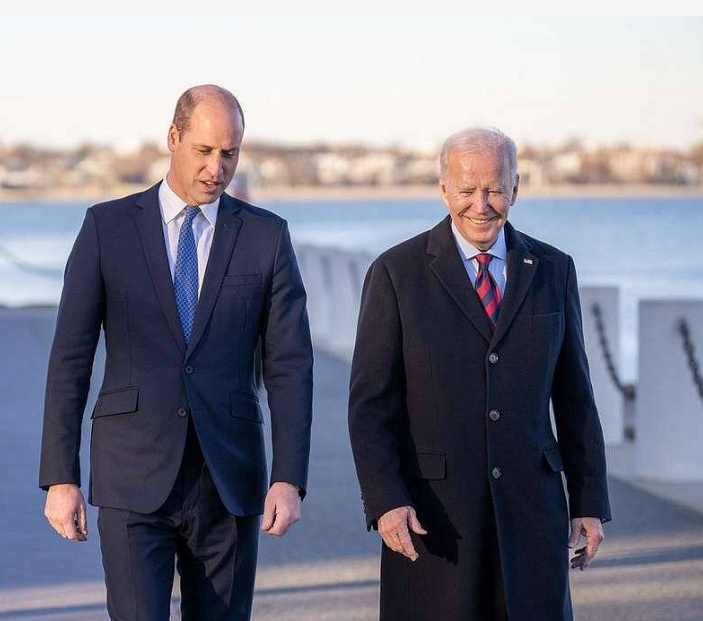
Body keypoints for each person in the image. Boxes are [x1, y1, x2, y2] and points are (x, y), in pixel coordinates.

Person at [39, 84, 313, 621]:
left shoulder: (266, 237)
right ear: (173, 138)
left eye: (230, 153)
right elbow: (70, 358)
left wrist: (289, 477)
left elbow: (290, 366)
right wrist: (60, 477)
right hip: (131, 476)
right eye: (204, 151)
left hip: (229, 481)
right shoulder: (106, 228)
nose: (217, 167)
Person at [348, 127, 610, 620]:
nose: (481, 204)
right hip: (434, 519)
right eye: (467, 190)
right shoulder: (396, 273)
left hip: (532, 514)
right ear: (444, 189)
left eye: (494, 188)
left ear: (516, 187)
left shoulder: (554, 270)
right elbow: (370, 405)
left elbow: (575, 396)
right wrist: (385, 501)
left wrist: (589, 501)